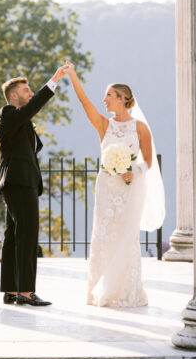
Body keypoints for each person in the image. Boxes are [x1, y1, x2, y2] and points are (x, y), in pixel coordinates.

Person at [65, 66, 164, 308]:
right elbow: (84, 101)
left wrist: (134, 172)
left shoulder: (140, 128)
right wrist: (72, 75)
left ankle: (127, 289)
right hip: (107, 188)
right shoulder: (103, 125)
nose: (104, 100)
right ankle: (100, 290)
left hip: (129, 189)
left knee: (126, 237)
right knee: (104, 236)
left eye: (109, 95)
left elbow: (149, 161)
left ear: (122, 99)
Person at [0, 65, 70, 307]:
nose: (30, 94)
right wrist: (54, 80)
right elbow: (32, 107)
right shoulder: (8, 113)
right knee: (26, 236)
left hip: (16, 183)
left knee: (13, 236)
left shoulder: (18, 120)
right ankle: (26, 292)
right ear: (15, 96)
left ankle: (10, 289)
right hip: (20, 182)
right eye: (26, 90)